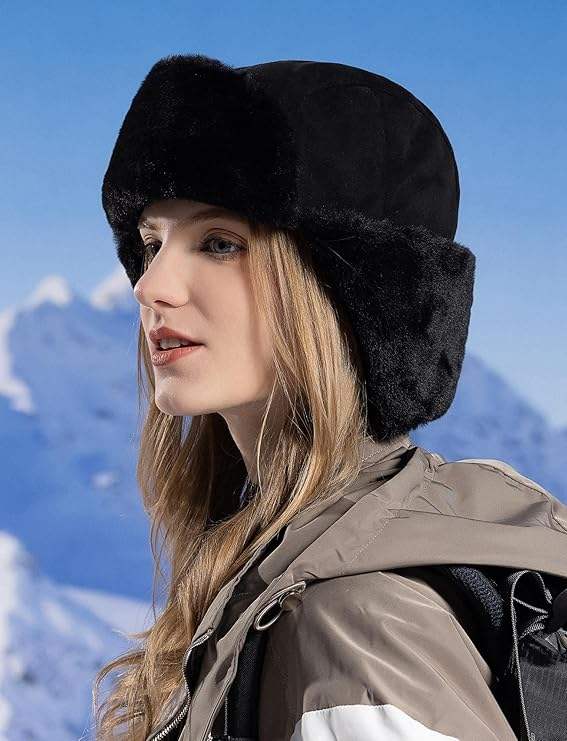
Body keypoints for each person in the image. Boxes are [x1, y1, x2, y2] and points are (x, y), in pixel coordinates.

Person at [94, 53, 567, 740]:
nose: (150, 285)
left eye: (219, 243)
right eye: (151, 243)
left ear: (339, 294)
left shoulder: (353, 626)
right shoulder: (294, 569)